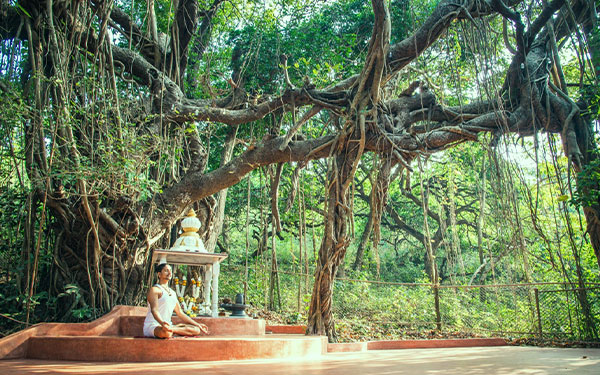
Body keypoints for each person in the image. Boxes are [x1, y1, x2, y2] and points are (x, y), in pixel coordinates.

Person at [143, 263, 209, 338]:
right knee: (166, 333)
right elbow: (154, 310)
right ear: (159, 274)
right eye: (166, 271)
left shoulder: (173, 293)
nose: (169, 273)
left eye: (170, 270)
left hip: (168, 326)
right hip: (154, 325)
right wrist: (162, 323)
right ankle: (174, 329)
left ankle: (172, 329)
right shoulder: (154, 290)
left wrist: (197, 324)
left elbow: (180, 313)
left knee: (197, 330)